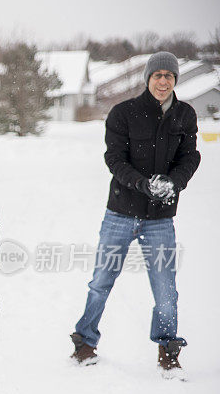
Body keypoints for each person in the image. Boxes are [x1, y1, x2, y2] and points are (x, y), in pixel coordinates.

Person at [70, 51, 201, 374]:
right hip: (120, 214)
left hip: (161, 219)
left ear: (175, 80)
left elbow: (190, 157)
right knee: (101, 280)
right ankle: (84, 342)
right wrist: (144, 185)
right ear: (148, 78)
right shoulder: (124, 113)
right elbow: (115, 160)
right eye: (157, 75)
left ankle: (168, 349)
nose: (163, 81)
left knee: (165, 288)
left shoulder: (185, 115)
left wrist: (173, 184)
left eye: (169, 76)